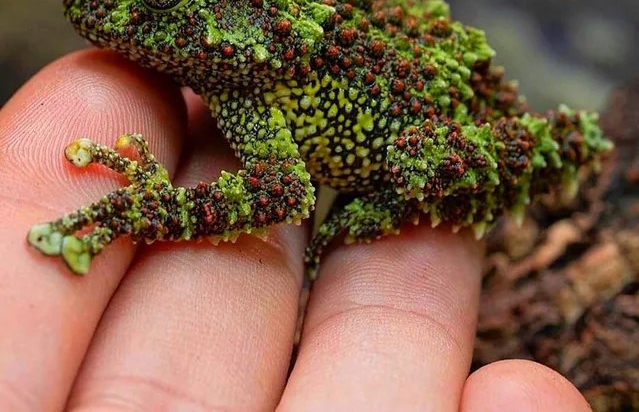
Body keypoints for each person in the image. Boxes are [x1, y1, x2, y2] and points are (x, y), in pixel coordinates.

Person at [0, 50, 591, 411]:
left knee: (420, 162)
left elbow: (282, 191)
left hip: (435, 116)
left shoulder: (251, 89)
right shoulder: (238, 82)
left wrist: (156, 208)